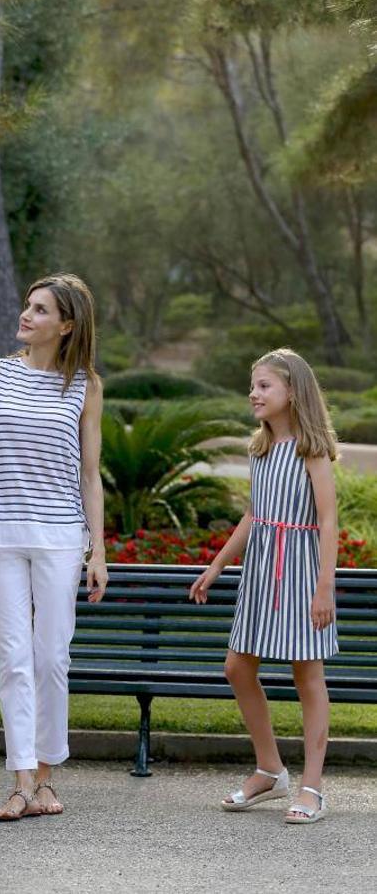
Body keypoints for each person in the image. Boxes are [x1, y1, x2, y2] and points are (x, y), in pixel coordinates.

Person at [0, 273, 108, 820]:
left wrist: (97, 550)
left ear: (66, 324)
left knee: (51, 657)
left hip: (59, 536)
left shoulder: (86, 386)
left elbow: (90, 474)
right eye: (28, 306)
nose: (26, 316)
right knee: (13, 660)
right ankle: (22, 781)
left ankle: (47, 776)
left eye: (40, 309)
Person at [190, 348, 338, 825]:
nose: (253, 394)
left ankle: (312, 787)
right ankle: (270, 770)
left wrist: (324, 589)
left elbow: (330, 521)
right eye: (252, 386)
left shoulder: (310, 450)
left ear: (292, 391)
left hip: (301, 571)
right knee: (236, 667)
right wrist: (216, 566)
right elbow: (253, 516)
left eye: (264, 386)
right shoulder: (260, 449)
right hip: (260, 572)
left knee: (306, 676)